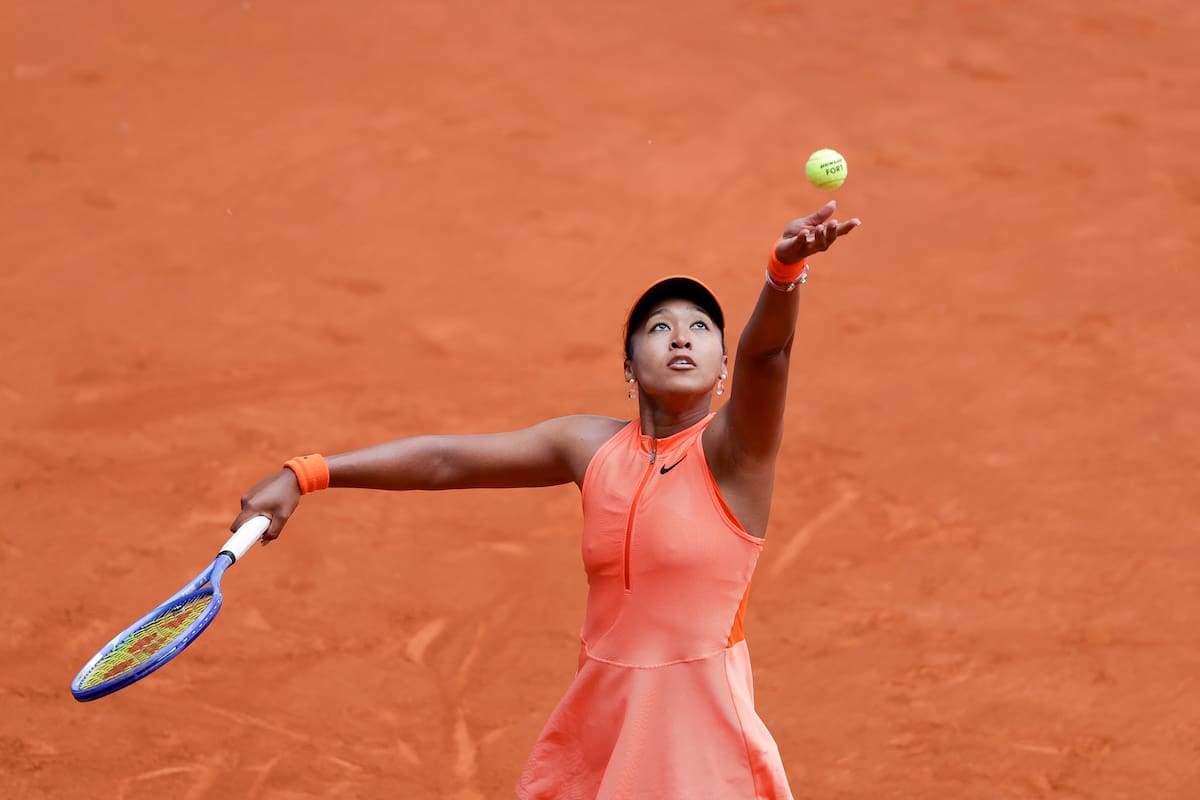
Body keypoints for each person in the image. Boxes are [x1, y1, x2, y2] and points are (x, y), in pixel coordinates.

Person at [231, 201, 861, 799]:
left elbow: (769, 353)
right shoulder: (588, 446)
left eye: (700, 328)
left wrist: (783, 275)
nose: (680, 337)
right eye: (659, 327)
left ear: (723, 370)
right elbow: (448, 460)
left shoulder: (735, 452)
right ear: (628, 367)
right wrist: (307, 474)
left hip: (700, 740)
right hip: (604, 724)